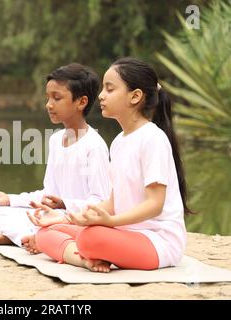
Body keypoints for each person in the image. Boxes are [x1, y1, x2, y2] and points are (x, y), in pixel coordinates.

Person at [28, 57, 193, 272]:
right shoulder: (118, 142)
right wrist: (70, 217)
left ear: (135, 96)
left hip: (157, 242)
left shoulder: (152, 138)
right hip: (125, 233)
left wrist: (110, 222)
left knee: (91, 237)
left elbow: (155, 204)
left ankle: (86, 251)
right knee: (46, 231)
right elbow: (114, 201)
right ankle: (84, 260)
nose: (101, 96)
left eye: (109, 89)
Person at [0, 63, 111, 250]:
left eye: (57, 98)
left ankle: (32, 238)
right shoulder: (55, 141)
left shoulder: (94, 146)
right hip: (54, 216)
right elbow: (48, 193)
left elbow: (100, 203)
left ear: (81, 102)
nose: (49, 105)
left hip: (76, 220)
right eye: (48, 98)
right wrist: (9, 199)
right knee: (0, 212)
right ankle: (28, 238)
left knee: (64, 226)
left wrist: (64, 204)